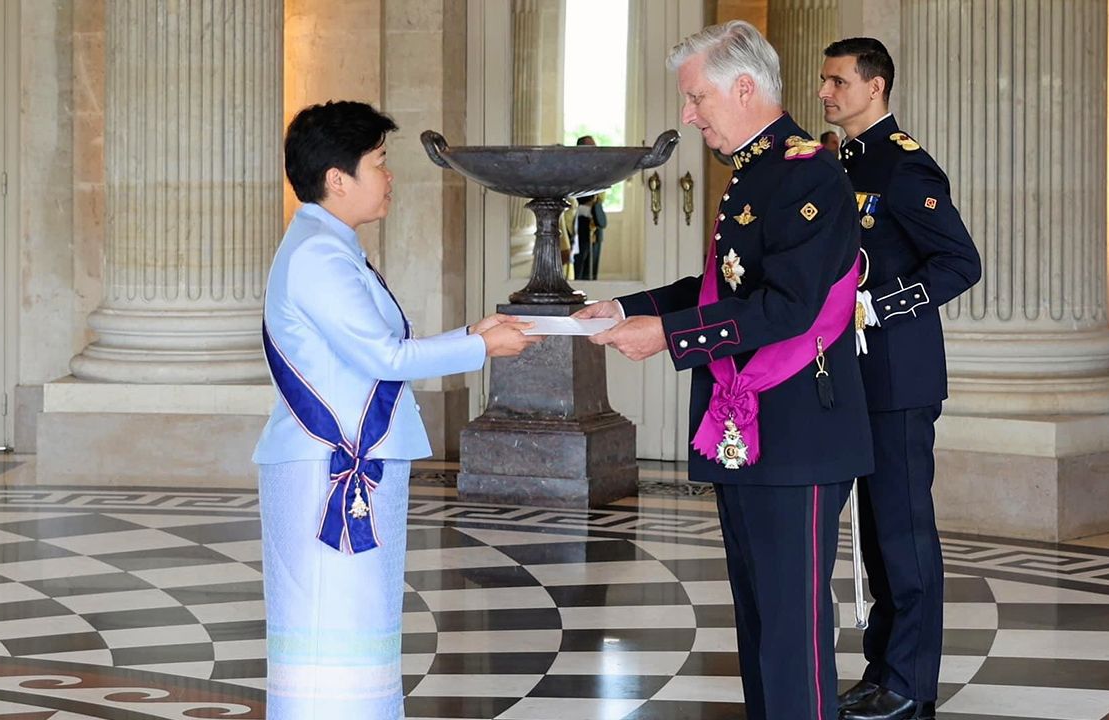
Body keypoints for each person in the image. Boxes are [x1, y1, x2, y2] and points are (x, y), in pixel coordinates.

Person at [576, 21, 873, 720]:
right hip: (754, 428)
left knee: (792, 633)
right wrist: (627, 306)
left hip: (797, 432)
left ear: (743, 89)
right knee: (761, 623)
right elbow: (722, 287)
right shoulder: (756, 172)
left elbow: (789, 308)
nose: (687, 114)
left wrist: (670, 338)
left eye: (695, 97)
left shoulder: (808, 174)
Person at [252, 100, 541, 719]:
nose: (389, 178)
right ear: (338, 178)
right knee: (334, 634)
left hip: (342, 466)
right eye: (379, 162)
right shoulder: (319, 256)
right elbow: (384, 357)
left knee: (353, 631)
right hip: (328, 471)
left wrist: (473, 330)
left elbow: (374, 351)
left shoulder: (327, 245)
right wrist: (480, 345)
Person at [819, 38, 982, 720]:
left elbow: (959, 262)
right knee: (878, 540)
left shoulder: (905, 166)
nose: (825, 93)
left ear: (875, 87)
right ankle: (881, 671)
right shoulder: (838, 163)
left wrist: (877, 306)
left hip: (900, 377)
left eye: (838, 82)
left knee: (904, 536)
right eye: (823, 81)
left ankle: (911, 685)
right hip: (854, 376)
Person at [573, 135, 609, 280]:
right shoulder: (574, 169)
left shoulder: (599, 168)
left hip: (596, 223)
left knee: (593, 269)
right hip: (580, 223)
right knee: (580, 265)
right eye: (590, 147)